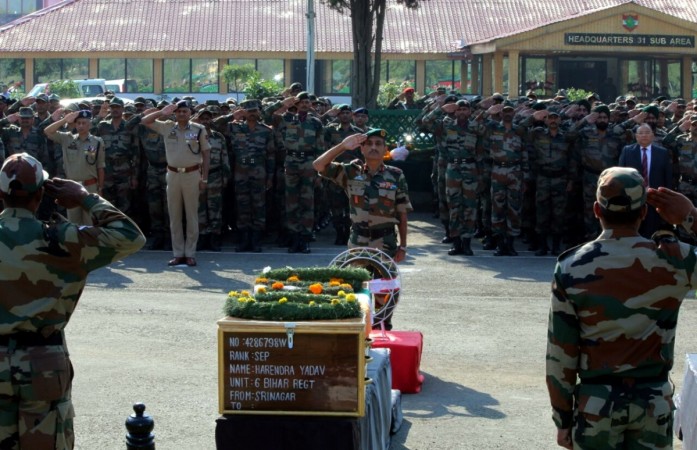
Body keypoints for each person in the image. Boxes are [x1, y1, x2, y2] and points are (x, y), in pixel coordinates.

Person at [546, 166, 697, 450]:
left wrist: (563, 419)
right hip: (653, 404)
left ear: (596, 210)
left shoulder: (571, 266)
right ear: (644, 213)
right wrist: (690, 217)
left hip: (595, 407)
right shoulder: (677, 260)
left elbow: (560, 353)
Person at [0, 153, 145, 449]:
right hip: (44, 363)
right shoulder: (62, 238)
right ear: (42, 194)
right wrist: (84, 198)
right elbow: (130, 236)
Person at [313, 128, 411, 261]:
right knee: (358, 280)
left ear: (385, 149)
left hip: (386, 244)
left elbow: (402, 213)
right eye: (369, 143)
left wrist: (403, 246)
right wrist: (342, 146)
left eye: (378, 143)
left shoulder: (396, 176)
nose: (373, 147)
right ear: (362, 149)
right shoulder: (351, 172)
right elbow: (318, 165)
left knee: (384, 281)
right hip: (357, 242)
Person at [142, 100, 211, 267]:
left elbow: (206, 154)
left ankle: (190, 253)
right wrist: (162, 112)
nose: (181, 114)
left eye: (185, 111)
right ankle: (178, 253)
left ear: (190, 113)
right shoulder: (167, 127)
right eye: (178, 111)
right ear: (175, 113)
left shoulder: (198, 129)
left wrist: (205, 178)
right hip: (172, 174)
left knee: (191, 215)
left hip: (192, 174)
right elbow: (145, 121)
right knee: (174, 216)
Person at [44, 110, 106, 225]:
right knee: (73, 223)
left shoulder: (97, 142)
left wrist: (100, 188)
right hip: (72, 187)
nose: (81, 126)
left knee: (89, 223)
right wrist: (64, 120)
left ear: (90, 124)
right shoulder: (67, 138)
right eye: (78, 123)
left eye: (84, 123)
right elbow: (47, 131)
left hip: (90, 187)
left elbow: (100, 167)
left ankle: (89, 244)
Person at [619, 123, 672, 238]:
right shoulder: (628, 151)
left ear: (652, 136)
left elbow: (667, 176)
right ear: (636, 136)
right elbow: (621, 174)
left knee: (652, 229)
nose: (644, 136)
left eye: (647, 133)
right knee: (634, 228)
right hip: (632, 197)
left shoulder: (662, 153)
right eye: (641, 133)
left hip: (654, 197)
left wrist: (666, 198)